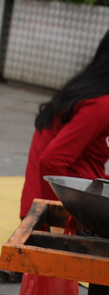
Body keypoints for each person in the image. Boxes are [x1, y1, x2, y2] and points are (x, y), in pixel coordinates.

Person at [22, 31, 109, 216]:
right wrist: (56, 218)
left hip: (70, 202)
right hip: (60, 211)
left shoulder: (88, 90)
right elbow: (51, 162)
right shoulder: (101, 105)